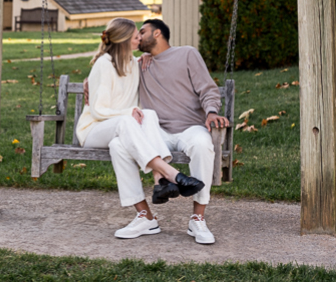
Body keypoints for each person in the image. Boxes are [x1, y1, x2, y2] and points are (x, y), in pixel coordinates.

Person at [75, 18, 206, 240]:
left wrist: (146, 58)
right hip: (93, 129)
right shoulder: (103, 64)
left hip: (118, 131)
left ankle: (148, 211)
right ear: (124, 39)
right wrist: (126, 112)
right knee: (128, 121)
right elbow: (98, 111)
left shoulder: (134, 64)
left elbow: (136, 99)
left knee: (140, 124)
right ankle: (171, 174)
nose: (139, 38)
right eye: (136, 35)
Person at [131, 18, 230, 245]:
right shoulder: (140, 64)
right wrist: (89, 81)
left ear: (157, 34)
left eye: (142, 32)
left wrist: (212, 112)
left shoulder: (187, 54)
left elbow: (207, 88)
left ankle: (198, 218)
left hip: (190, 127)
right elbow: (112, 73)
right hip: (157, 133)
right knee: (127, 141)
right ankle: (152, 203)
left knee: (203, 145)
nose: (137, 37)